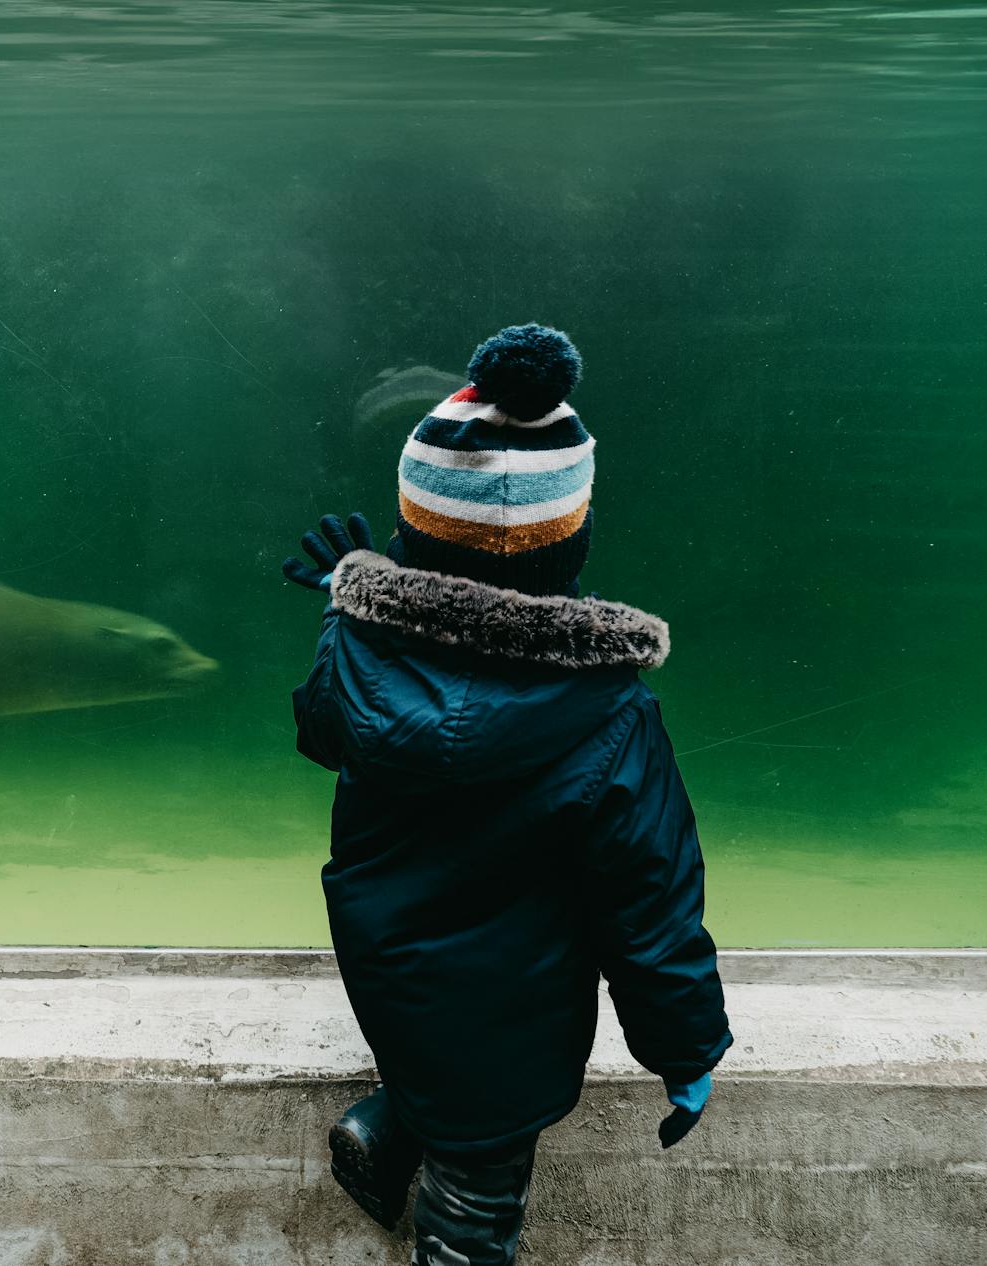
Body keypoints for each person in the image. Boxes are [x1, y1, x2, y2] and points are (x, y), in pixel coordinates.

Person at [283, 324, 731, 1265]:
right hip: (521, 1013)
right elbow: (650, 905)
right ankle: (419, 1158)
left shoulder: (354, 647)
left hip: (387, 967)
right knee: (476, 1206)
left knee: (440, 1053)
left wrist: (351, 599)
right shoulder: (612, 715)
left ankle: (388, 1125)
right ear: (571, 541)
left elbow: (321, 733)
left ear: (412, 526)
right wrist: (685, 1047)